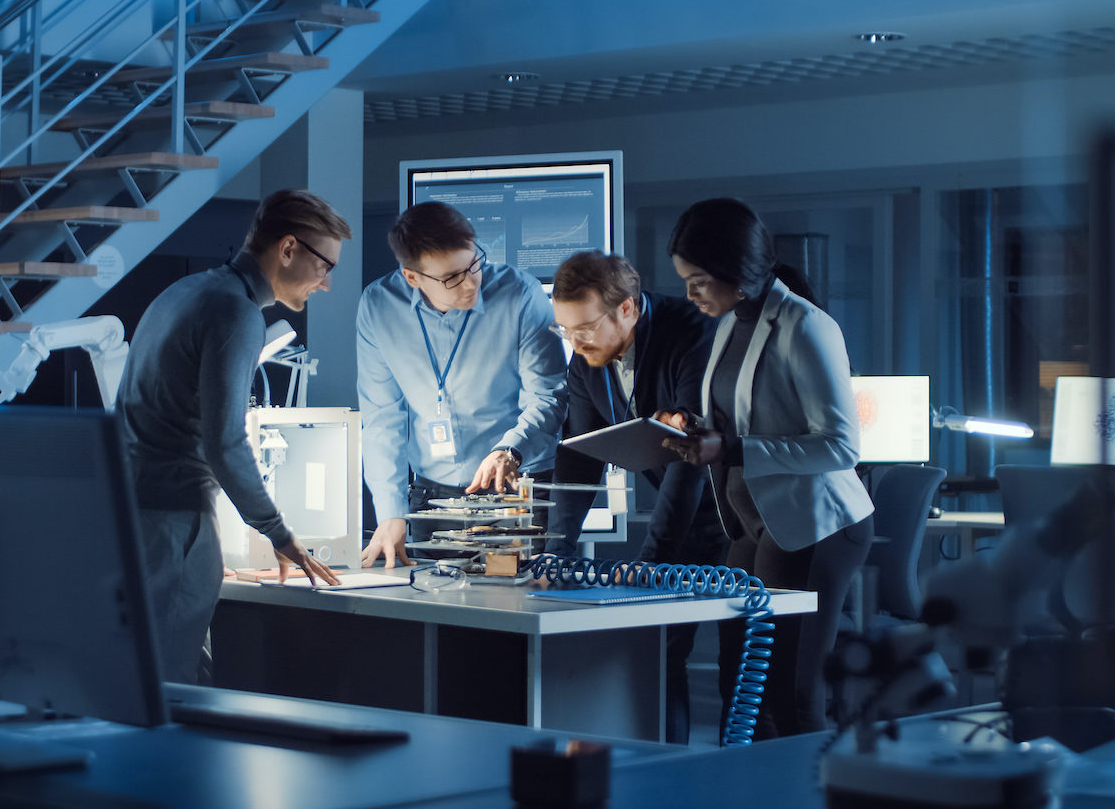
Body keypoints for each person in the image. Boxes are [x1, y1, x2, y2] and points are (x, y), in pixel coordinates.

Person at [657, 197, 875, 739]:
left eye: (700, 280)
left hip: (815, 525)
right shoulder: (734, 321)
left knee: (788, 690)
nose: (690, 294)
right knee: (740, 684)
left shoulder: (806, 327)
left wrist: (731, 449)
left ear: (739, 272)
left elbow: (842, 447)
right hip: (754, 521)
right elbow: (737, 417)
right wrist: (690, 426)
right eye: (686, 280)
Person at [117, 188, 346, 684]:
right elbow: (225, 443)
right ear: (287, 250)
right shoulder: (236, 312)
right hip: (176, 522)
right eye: (325, 266)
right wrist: (279, 534)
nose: (326, 284)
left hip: (131, 517)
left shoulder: (186, 291)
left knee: (144, 676)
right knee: (174, 690)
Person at [547, 251, 728, 744]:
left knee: (742, 664)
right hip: (680, 506)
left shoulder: (689, 331)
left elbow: (689, 452)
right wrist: (554, 550)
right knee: (660, 648)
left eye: (583, 327)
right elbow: (579, 456)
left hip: (733, 512)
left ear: (626, 309)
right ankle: (662, 773)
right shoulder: (587, 360)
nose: (575, 340)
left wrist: (652, 559)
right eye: (565, 329)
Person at [355, 201, 567, 568]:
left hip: (515, 485)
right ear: (412, 277)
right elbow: (382, 417)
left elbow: (549, 395)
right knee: (434, 613)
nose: (471, 283)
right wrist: (391, 512)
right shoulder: (378, 306)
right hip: (430, 495)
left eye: (474, 264)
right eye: (452, 277)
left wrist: (509, 450)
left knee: (511, 611)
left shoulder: (521, 294)